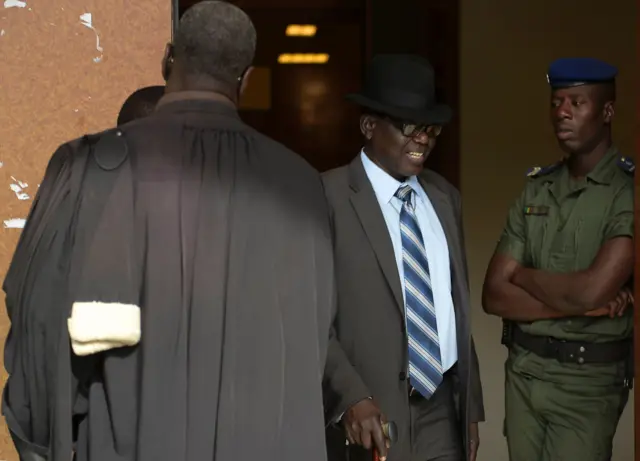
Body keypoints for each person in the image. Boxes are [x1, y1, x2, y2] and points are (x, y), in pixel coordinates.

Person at [2, 2, 335, 461]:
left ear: (166, 59)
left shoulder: (90, 170)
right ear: (247, 80)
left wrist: (45, 445)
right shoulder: (302, 187)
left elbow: (40, 330)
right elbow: (312, 342)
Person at [322, 54, 485, 461]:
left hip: (442, 410)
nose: (423, 139)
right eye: (409, 126)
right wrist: (350, 397)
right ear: (368, 126)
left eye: (431, 129)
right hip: (368, 416)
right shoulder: (327, 197)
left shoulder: (445, 198)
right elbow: (308, 316)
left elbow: (456, 310)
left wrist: (470, 411)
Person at [482, 57, 634, 461]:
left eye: (576, 102)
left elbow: (591, 290)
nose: (561, 112)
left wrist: (523, 275)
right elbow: (494, 296)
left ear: (607, 112)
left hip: (587, 383)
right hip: (525, 373)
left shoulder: (626, 193)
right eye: (556, 102)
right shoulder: (537, 189)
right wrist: (583, 305)